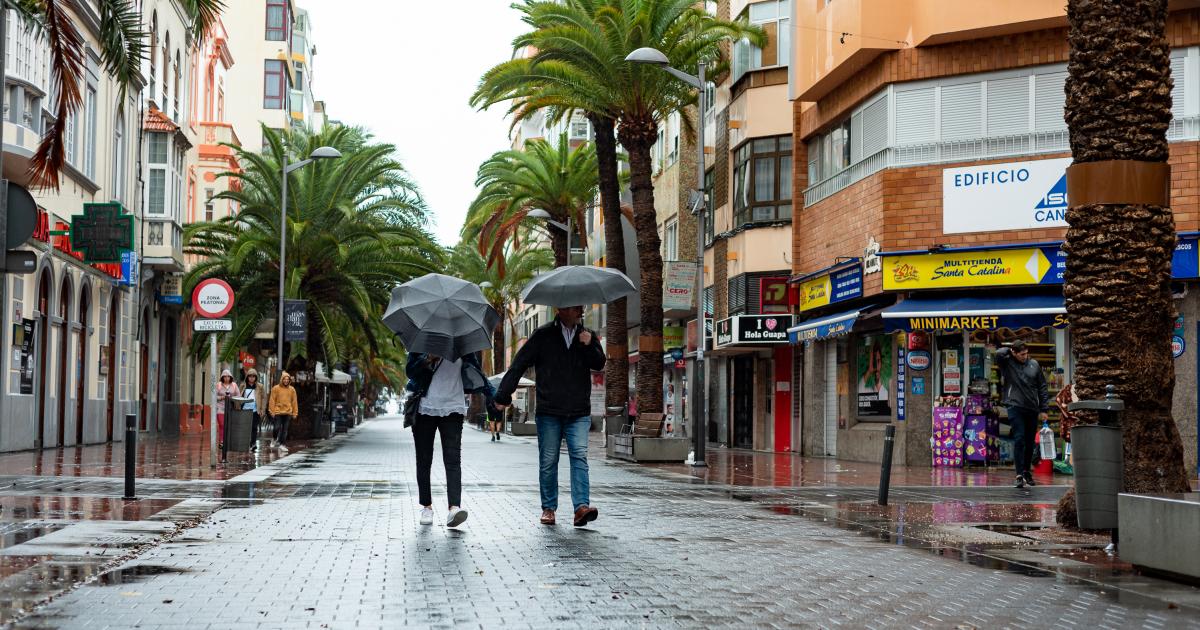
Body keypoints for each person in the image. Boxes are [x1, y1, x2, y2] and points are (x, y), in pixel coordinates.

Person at [494, 305, 605, 527]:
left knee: (580, 457)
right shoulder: (543, 335)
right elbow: (519, 363)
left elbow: (599, 363)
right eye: (576, 308)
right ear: (562, 309)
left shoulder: (587, 335)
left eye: (581, 307)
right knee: (548, 460)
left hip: (578, 410)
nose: (580, 311)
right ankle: (548, 508)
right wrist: (503, 394)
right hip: (549, 410)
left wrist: (588, 345)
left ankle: (581, 507)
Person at [404, 351, 496, 528]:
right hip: (425, 407)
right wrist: (427, 358)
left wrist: (495, 395)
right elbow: (410, 371)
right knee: (424, 459)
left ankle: (454, 508)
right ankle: (426, 507)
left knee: (453, 460)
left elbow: (478, 372)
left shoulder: (462, 345)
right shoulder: (423, 343)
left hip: (453, 408)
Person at [994, 341, 1050, 488]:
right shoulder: (1007, 363)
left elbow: (1042, 387)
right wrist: (1010, 349)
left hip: (1032, 408)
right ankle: (1019, 474)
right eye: (1022, 354)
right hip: (1015, 406)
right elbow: (999, 353)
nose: (1025, 356)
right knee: (1019, 439)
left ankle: (1026, 471)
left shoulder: (1034, 365)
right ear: (1014, 352)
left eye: (1026, 353)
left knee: (1030, 442)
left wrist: (1044, 409)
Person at [268, 372, 299, 453]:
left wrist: (295, 413)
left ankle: (282, 445)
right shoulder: (275, 388)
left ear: (289, 381)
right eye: (284, 379)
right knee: (276, 428)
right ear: (282, 379)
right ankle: (274, 438)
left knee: (285, 430)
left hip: (288, 412)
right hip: (278, 412)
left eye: (287, 379)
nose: (286, 381)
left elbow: (294, 401)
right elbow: (272, 400)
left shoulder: (292, 389)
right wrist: (271, 411)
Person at [242, 369, 267, 451]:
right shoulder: (243, 385)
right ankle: (246, 443)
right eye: (250, 376)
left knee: (254, 427)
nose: (251, 378)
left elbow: (264, 398)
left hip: (255, 410)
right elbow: (239, 396)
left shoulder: (260, 386)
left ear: (256, 377)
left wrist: (262, 409)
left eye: (253, 376)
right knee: (246, 428)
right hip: (245, 410)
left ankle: (253, 443)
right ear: (247, 377)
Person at [215, 369, 240, 450]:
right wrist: (222, 397)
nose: (226, 378)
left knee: (229, 426)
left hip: (230, 408)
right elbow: (214, 396)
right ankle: (221, 441)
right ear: (222, 377)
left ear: (230, 377)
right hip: (220, 408)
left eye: (228, 376)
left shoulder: (234, 385)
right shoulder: (218, 385)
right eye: (225, 376)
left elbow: (238, 395)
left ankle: (227, 441)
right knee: (222, 425)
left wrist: (232, 398)